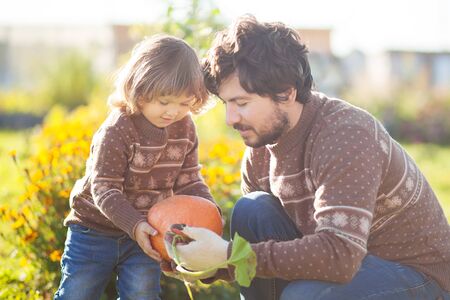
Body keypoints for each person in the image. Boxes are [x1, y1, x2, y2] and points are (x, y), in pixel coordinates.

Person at [167, 15, 450, 300]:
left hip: (416, 275)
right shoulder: (259, 151)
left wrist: (227, 254)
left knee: (303, 296)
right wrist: (212, 263)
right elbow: (257, 255)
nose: (230, 118)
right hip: (347, 263)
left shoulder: (345, 134)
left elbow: (339, 255)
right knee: (252, 209)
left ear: (287, 93)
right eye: (227, 103)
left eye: (242, 103)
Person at [54, 35, 216, 300]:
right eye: (164, 101)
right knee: (77, 293)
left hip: (148, 235)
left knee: (142, 294)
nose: (173, 112)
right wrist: (135, 224)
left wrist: (210, 216)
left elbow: (189, 181)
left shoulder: (185, 128)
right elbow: (104, 189)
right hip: (94, 229)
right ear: (140, 89)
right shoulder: (118, 129)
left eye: (184, 104)